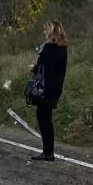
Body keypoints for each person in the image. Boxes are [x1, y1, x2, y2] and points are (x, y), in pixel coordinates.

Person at [29, 19, 68, 162]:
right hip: (55, 88)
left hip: (45, 88)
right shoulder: (62, 48)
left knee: (44, 118)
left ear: (51, 31)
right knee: (45, 117)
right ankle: (48, 151)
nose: (44, 32)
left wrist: (34, 68)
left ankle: (48, 152)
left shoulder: (50, 48)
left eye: (46, 30)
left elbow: (45, 68)